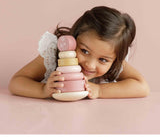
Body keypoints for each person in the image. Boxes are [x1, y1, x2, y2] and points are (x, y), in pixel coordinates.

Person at [9, 6, 150, 99]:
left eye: (103, 60)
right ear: (73, 39)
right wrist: (42, 90)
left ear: (114, 60)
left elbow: (142, 87)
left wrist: (100, 91)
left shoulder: (114, 61)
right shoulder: (55, 53)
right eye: (84, 51)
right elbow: (16, 82)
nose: (90, 65)